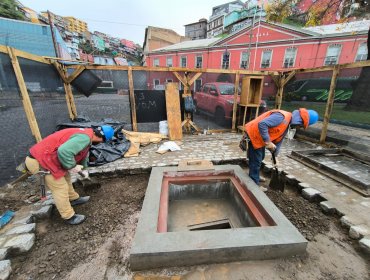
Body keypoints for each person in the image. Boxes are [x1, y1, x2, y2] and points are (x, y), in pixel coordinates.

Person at [25, 125, 115, 225]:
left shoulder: (88, 135)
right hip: (40, 161)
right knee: (60, 187)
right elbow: (64, 151)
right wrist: (72, 165)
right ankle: (68, 216)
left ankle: (73, 198)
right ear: (100, 137)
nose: (100, 143)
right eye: (102, 141)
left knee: (66, 177)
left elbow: (83, 154)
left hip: (50, 158)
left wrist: (84, 169)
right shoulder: (84, 138)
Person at [243, 108, 319, 186]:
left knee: (260, 157)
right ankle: (253, 183)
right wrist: (268, 141)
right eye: (300, 126)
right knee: (256, 160)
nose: (298, 128)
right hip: (254, 135)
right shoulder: (281, 117)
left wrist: (275, 156)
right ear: (300, 121)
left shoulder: (287, 123)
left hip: (260, 137)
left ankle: (255, 176)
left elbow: (279, 140)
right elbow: (262, 124)